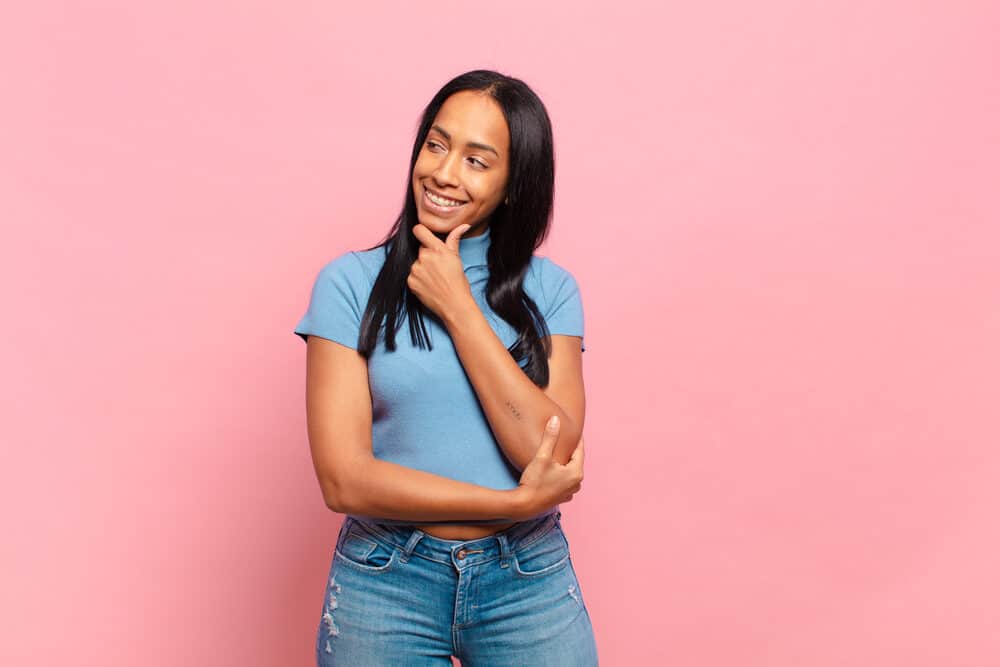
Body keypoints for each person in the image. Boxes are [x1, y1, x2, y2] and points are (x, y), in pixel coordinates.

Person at [294, 69, 598, 665]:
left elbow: (550, 452)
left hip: (526, 579)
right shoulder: (350, 284)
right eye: (436, 144)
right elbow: (343, 480)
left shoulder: (553, 292)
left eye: (477, 161)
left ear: (514, 183)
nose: (443, 172)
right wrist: (509, 504)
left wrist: (459, 307)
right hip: (385, 580)